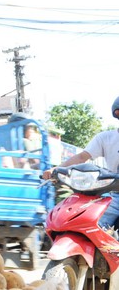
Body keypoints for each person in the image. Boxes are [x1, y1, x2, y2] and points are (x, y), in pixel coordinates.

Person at [42, 96, 119, 231]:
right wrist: (57, 169)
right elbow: (82, 157)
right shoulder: (106, 138)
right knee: (87, 221)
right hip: (114, 191)